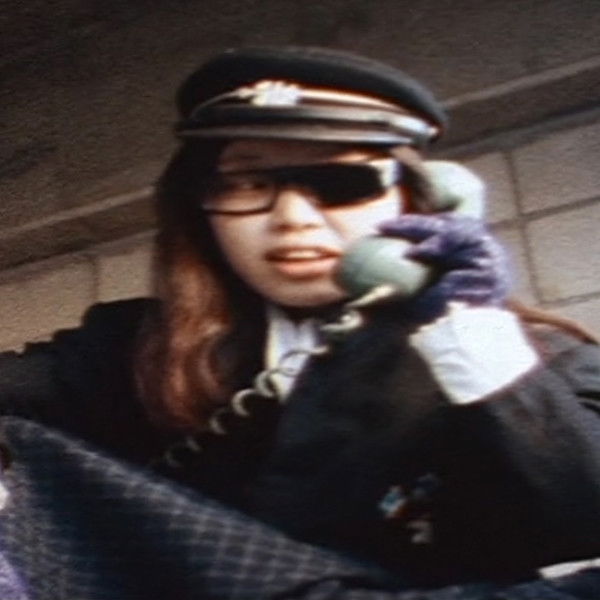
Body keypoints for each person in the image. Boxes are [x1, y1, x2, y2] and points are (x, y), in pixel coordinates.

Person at [1, 45, 600, 599]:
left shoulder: (527, 358)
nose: (291, 218)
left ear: (424, 198)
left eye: (341, 182)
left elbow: (582, 516)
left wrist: (468, 330)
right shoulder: (134, 346)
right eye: (246, 183)